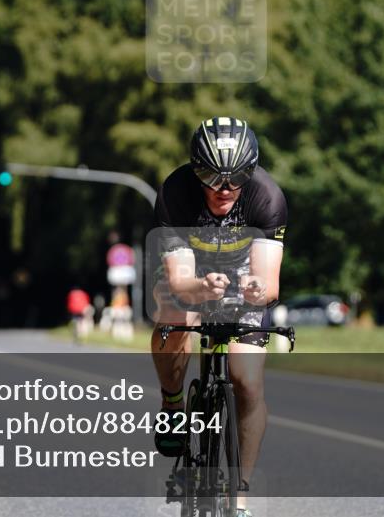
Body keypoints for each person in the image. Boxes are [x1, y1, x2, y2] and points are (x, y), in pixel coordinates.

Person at [151, 117, 287, 517]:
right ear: (196, 171)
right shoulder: (175, 193)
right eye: (212, 176)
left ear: (252, 172)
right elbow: (179, 280)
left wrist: (256, 290)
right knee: (175, 316)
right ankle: (173, 403)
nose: (225, 189)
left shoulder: (267, 197)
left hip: (244, 274)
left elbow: (270, 283)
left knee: (246, 379)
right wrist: (201, 288)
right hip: (192, 274)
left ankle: (240, 494)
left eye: (237, 177)